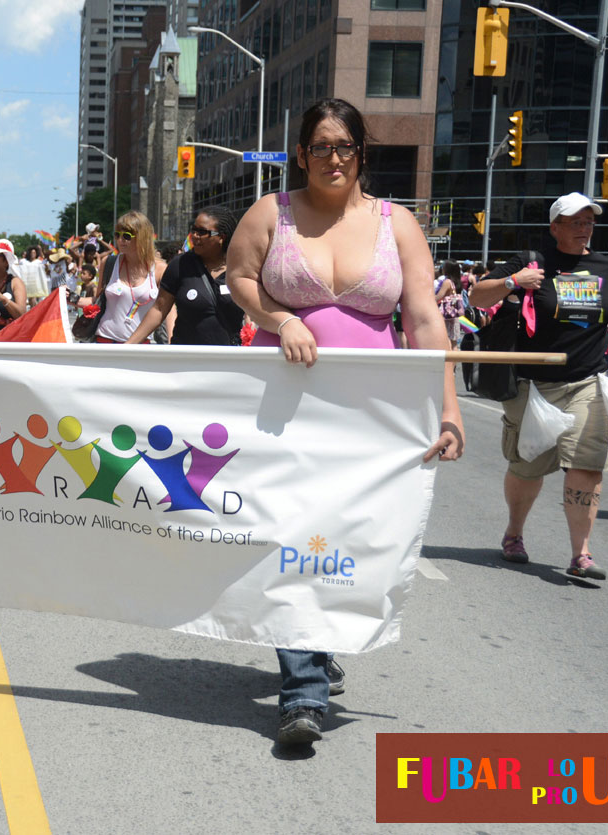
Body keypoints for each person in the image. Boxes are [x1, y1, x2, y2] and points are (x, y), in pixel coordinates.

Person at [227, 98, 464, 747]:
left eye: (344, 146)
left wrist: (446, 407)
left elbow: (423, 319)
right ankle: (302, 692)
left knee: (344, 537)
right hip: (282, 411)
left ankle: (317, 639)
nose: (332, 158)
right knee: (290, 532)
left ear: (361, 153)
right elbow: (239, 278)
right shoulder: (270, 212)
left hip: (370, 416)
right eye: (320, 146)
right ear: (301, 154)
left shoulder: (397, 224)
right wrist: (281, 318)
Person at [466, 192, 608, 581]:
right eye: (575, 222)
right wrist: (514, 281)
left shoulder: (607, 267)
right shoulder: (532, 261)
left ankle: (581, 554)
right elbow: (476, 295)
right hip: (533, 385)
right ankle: (514, 533)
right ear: (554, 227)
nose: (584, 228)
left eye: (589, 222)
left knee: (587, 466)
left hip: (587, 382)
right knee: (528, 467)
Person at [126, 207, 241, 346]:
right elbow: (159, 309)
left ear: (221, 237)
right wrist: (128, 346)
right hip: (186, 354)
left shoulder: (240, 268)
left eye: (202, 232)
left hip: (229, 355)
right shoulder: (180, 264)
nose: (195, 236)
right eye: (194, 230)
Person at [93, 211, 167, 344]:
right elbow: (97, 300)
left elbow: (168, 310)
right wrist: (70, 297)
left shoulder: (160, 269)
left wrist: (171, 344)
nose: (120, 240)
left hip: (140, 345)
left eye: (126, 236)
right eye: (117, 235)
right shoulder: (109, 263)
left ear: (142, 237)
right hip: (105, 340)